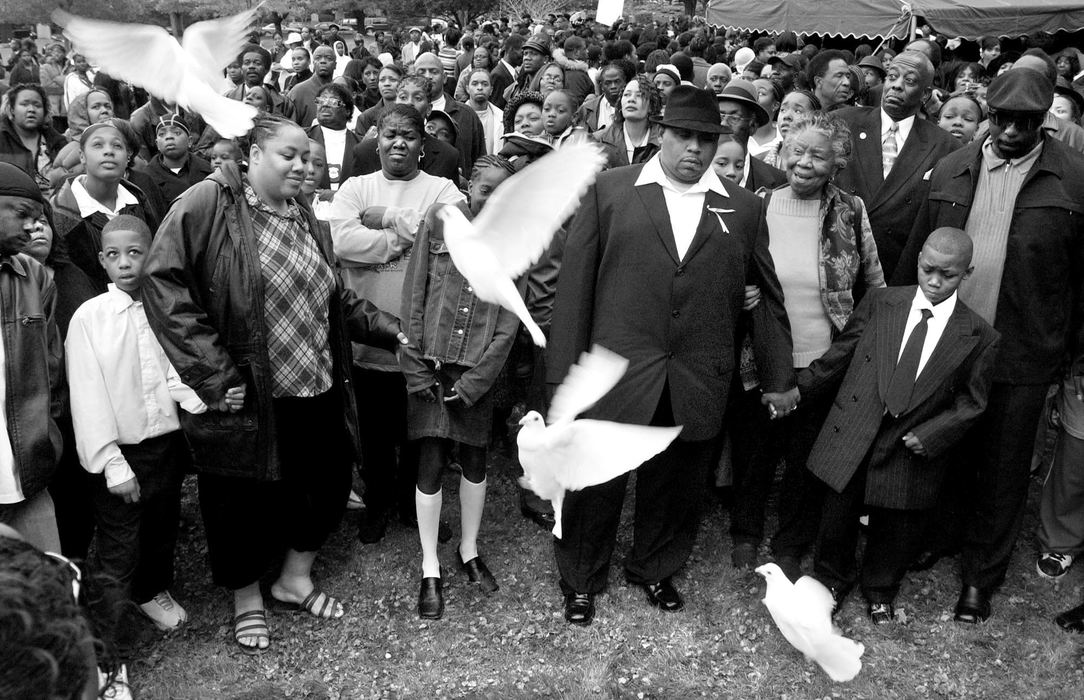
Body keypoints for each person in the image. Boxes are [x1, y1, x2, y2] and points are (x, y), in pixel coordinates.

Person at [141, 114, 406, 653]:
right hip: (250, 390)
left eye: (309, 158)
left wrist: (391, 331)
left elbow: (335, 297)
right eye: (290, 155)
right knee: (240, 497)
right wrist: (214, 372)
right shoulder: (207, 203)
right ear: (253, 153)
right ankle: (246, 597)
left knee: (329, 481)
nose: (303, 166)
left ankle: (294, 578)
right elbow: (162, 281)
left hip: (317, 380)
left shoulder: (305, 215)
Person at [547, 86, 795, 626]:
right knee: (594, 481)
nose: (695, 150)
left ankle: (655, 568)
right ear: (661, 133)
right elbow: (575, 291)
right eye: (683, 136)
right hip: (614, 372)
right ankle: (582, 577)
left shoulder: (745, 207)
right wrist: (558, 384)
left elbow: (765, 294)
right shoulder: (610, 192)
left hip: (697, 373)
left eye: (708, 140)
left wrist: (779, 375)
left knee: (677, 481)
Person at [893, 68, 1084, 624]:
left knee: (1003, 466)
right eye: (1001, 119)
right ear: (989, 114)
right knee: (944, 447)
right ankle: (942, 535)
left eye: (1025, 123)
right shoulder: (953, 166)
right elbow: (918, 251)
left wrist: (1070, 348)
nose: (1010, 132)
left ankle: (982, 574)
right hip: (949, 339)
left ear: (1044, 120)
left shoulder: (1074, 177)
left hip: (1025, 345)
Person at [797, 227, 998, 623]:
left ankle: (880, 586)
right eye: (928, 269)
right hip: (857, 425)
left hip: (910, 439)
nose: (935, 282)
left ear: (967, 274)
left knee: (898, 522)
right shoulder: (881, 302)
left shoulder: (979, 335)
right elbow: (840, 354)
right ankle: (831, 580)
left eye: (949, 275)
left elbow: (973, 402)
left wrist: (933, 434)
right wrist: (796, 391)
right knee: (837, 513)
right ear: (919, 257)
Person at [729, 112, 885, 576]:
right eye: (797, 151)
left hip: (823, 363)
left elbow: (874, 288)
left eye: (818, 155)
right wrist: (739, 291)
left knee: (805, 459)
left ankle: (791, 542)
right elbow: (726, 270)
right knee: (754, 453)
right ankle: (744, 532)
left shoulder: (851, 211)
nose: (804, 162)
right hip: (758, 356)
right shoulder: (755, 204)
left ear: (836, 164)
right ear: (782, 152)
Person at [329, 105, 466, 544]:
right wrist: (402, 240)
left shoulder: (441, 187)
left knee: (418, 434)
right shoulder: (355, 187)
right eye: (390, 135)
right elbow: (342, 241)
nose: (398, 143)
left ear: (423, 145)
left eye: (408, 135)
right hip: (369, 340)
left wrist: (387, 217)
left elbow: (456, 231)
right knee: (373, 433)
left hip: (423, 341)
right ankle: (377, 504)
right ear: (377, 139)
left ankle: (411, 504)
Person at [65, 215, 203, 637]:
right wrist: (112, 463)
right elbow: (87, 396)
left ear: (151, 255)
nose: (124, 263)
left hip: (167, 446)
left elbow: (173, 371)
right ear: (102, 261)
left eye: (135, 253)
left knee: (162, 526)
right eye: (113, 255)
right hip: (123, 454)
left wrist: (202, 401)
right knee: (118, 545)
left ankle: (151, 590)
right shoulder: (91, 318)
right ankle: (101, 640)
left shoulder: (166, 307)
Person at [399, 157, 519, 619]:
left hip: (475, 375)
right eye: (486, 188)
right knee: (430, 460)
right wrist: (414, 367)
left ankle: (468, 550)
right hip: (430, 369)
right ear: (469, 185)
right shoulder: (438, 222)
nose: (493, 199)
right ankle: (430, 565)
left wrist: (477, 380)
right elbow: (413, 297)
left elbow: (509, 324)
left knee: (474, 459)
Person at [832, 52, 959, 279]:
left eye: (909, 81)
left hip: (897, 271)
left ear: (926, 94)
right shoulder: (843, 122)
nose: (896, 86)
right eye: (892, 76)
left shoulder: (945, 146)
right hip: (836, 259)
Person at [0, 163, 64, 553]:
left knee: (51, 594)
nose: (32, 228)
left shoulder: (35, 277)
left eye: (38, 219)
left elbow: (51, 370)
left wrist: (45, 439)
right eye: (22, 215)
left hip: (26, 474)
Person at [50, 121, 159, 291]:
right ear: (82, 156)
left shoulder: (138, 200)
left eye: (117, 145)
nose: (108, 151)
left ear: (128, 157)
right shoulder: (62, 210)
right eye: (98, 145)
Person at [352, 75, 460, 182]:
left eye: (418, 98)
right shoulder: (364, 152)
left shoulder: (448, 156)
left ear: (429, 109)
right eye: (403, 97)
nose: (409, 103)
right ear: (395, 103)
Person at [413, 53, 486, 176]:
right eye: (421, 72)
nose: (427, 76)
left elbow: (480, 160)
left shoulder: (467, 115)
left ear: (445, 77)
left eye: (433, 72)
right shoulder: (403, 115)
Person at [715, 79, 787, 193]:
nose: (723, 123)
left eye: (734, 118)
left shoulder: (779, 183)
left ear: (752, 126)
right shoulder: (694, 171)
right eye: (720, 116)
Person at [0, 84, 66, 194]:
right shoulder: (2, 141)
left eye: (37, 105)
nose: (31, 109)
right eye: (24, 104)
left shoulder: (58, 143)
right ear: (12, 110)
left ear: (45, 111)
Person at [136, 115, 213, 207]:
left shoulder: (207, 170)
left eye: (176, 133)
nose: (169, 137)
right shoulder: (147, 178)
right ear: (157, 145)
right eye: (162, 134)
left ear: (190, 141)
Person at [593, 75, 662, 169]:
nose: (631, 99)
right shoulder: (600, 140)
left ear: (651, 105)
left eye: (639, 95)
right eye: (626, 95)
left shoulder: (663, 140)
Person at [306, 83, 358, 193]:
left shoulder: (360, 144)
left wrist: (336, 196)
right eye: (321, 101)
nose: (325, 105)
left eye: (333, 102)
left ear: (347, 110)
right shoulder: (303, 137)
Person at [759, 90, 820, 169]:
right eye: (783, 110)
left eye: (797, 111)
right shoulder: (759, 161)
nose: (786, 116)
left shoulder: (818, 165)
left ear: (814, 119)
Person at [288, 45, 337, 128]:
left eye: (328, 58)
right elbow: (289, 128)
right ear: (313, 63)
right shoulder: (298, 92)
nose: (323, 61)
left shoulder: (340, 92)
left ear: (335, 65)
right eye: (318, 58)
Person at [465, 68, 504, 155]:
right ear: (467, 89)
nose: (480, 88)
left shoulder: (501, 117)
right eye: (475, 84)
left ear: (491, 90)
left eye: (485, 84)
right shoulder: (458, 116)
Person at [748, 78, 782, 160]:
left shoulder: (783, 138)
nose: (753, 97)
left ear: (775, 105)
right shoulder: (736, 135)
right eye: (751, 92)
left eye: (761, 93)